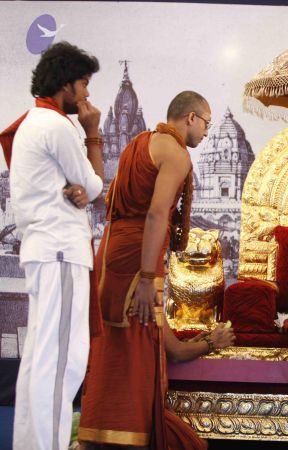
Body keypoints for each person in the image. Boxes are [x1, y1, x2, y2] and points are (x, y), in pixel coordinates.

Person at [78, 91, 216, 449]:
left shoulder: (138, 142)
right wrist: (145, 278)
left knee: (111, 345)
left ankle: (94, 433)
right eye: (206, 123)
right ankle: (129, 435)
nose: (206, 132)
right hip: (139, 257)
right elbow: (156, 215)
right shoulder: (177, 155)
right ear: (190, 117)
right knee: (137, 348)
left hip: (111, 251)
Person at [0, 42, 103, 450]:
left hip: (45, 250)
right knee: (63, 360)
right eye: (84, 83)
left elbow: (85, 188)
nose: (87, 94)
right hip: (61, 250)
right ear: (65, 84)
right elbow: (93, 185)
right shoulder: (58, 126)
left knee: (40, 359)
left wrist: (82, 187)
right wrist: (93, 134)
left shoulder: (33, 123)